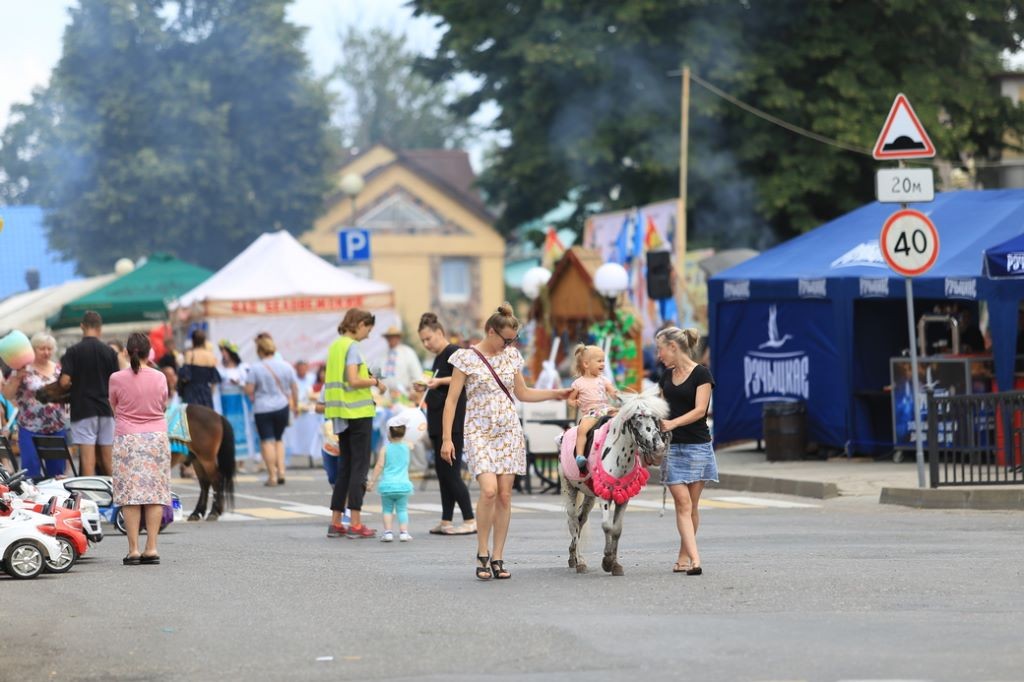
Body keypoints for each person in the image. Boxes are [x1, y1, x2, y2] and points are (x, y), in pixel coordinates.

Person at [441, 303, 572, 581]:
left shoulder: (511, 357)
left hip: (508, 431)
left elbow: (523, 394)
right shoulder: (465, 358)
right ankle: (482, 552)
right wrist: (446, 439)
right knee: (488, 491)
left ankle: (498, 556)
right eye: (506, 339)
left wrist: (556, 394)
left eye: (513, 339)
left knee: (504, 494)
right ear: (491, 331)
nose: (510, 344)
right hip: (478, 431)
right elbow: (451, 401)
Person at [655, 326, 717, 576]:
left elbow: (700, 410)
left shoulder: (702, 374)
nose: (658, 355)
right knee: (682, 503)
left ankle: (683, 555)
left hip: (698, 446)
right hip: (673, 449)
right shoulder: (665, 377)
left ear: (673, 347)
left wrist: (673, 422)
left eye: (660, 349)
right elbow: (659, 411)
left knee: (691, 506)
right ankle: (696, 559)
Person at [108, 332, 170, 566]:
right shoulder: (160, 377)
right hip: (156, 437)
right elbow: (163, 403)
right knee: (155, 492)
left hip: (127, 438)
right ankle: (151, 547)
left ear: (126, 352)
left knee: (130, 494)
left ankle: (133, 549)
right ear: (149, 353)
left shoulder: (116, 378)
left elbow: (113, 404)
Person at [325, 309, 382, 539]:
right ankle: (356, 523)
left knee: (345, 467)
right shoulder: (353, 347)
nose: (368, 335)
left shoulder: (335, 346)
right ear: (359, 324)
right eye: (368, 329)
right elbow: (353, 379)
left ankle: (336, 521)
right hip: (358, 413)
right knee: (360, 467)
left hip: (340, 412)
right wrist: (376, 381)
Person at [417, 312, 475, 535]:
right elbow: (437, 384)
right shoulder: (437, 357)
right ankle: (446, 520)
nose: (426, 344)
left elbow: (466, 377)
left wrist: (438, 381)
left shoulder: (455, 353)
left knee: (451, 473)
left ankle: (470, 518)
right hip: (436, 419)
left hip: (452, 423)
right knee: (442, 474)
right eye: (423, 340)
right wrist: (425, 386)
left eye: (428, 338)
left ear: (439, 333)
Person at [58, 310, 120, 476]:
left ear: (82, 326)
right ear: (100, 328)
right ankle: (119, 497)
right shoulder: (110, 352)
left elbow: (64, 382)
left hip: (84, 409)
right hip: (106, 410)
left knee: (88, 460)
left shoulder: (73, 351)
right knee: (108, 459)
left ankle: (89, 498)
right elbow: (117, 382)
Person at [2, 333, 68, 479]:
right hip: (30, 428)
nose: (46, 352)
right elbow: (7, 395)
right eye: (42, 348)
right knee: (31, 472)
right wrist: (17, 377)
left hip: (56, 427)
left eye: (49, 349)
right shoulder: (22, 369)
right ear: (32, 350)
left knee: (57, 474)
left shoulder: (58, 369)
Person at [246, 335, 298, 487]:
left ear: (259, 350)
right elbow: (294, 387)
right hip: (282, 406)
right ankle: (282, 471)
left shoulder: (255, 367)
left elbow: (249, 389)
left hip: (262, 408)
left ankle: (272, 476)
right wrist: (295, 405)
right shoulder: (286, 366)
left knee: (266, 441)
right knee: (279, 439)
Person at [568, 344, 618, 473]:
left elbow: (612, 392)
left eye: (603, 361)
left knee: (622, 419)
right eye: (599, 361)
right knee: (582, 430)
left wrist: (616, 394)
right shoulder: (578, 383)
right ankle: (580, 456)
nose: (603, 364)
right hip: (591, 413)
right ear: (586, 364)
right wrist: (575, 403)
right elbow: (570, 400)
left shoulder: (603, 380)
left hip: (605, 409)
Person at [368, 418, 415, 542]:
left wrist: (372, 481)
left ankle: (388, 533)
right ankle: (404, 532)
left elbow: (379, 465)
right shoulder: (408, 446)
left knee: (387, 510)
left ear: (389, 433)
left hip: (387, 485)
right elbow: (411, 442)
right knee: (402, 509)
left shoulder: (385, 449)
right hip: (403, 485)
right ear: (404, 433)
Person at [217, 340, 256, 472]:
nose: (223, 354)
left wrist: (239, 383)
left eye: (225, 351)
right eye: (221, 352)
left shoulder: (242, 368)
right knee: (226, 430)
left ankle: (241, 462)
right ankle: (229, 461)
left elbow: (248, 386)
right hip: (225, 402)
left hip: (239, 402)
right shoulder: (220, 368)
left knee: (240, 429)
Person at [178, 330, 220, 408]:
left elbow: (185, 377)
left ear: (193, 341)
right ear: (204, 341)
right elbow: (214, 380)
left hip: (192, 392)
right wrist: (210, 393)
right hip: (205, 391)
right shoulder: (210, 355)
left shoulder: (190, 354)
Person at [377, 326, 422, 393]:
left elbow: (417, 375)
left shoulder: (408, 352)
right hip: (386, 395)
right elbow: (379, 376)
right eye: (389, 337)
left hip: (405, 394)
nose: (391, 339)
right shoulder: (383, 355)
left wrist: (413, 391)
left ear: (398, 338)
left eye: (393, 337)